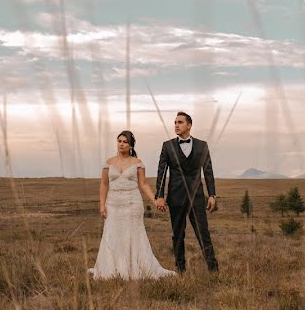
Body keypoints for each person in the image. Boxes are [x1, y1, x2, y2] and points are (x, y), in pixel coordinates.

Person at [89, 130, 175, 280]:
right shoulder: (109, 163)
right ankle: (111, 269)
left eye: (125, 142)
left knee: (133, 236)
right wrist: (102, 205)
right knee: (112, 235)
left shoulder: (137, 163)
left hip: (132, 203)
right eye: (119, 141)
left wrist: (155, 200)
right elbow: (103, 185)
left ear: (130, 145)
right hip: (113, 204)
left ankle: (135, 268)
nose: (121, 144)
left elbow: (143, 184)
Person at [155, 111, 219, 272]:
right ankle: (180, 270)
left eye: (180, 122)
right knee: (178, 235)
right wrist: (159, 196)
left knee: (203, 233)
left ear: (189, 125)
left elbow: (208, 171)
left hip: (197, 197)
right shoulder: (167, 146)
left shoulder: (201, 145)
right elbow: (161, 172)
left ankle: (213, 270)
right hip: (176, 197)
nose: (176, 125)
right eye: (175, 122)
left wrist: (212, 194)